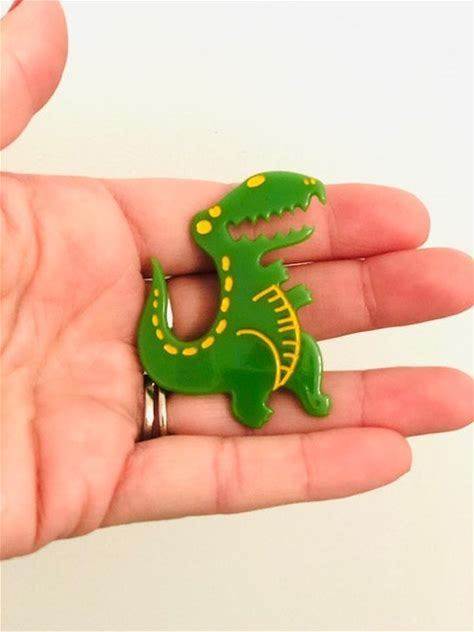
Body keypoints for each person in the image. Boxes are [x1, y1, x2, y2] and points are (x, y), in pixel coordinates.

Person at [1, 0, 472, 561]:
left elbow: (272, 293)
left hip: (272, 340)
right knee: (258, 360)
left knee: (300, 358)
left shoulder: (255, 272)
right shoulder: (235, 265)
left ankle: (305, 391)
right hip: (243, 349)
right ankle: (251, 402)